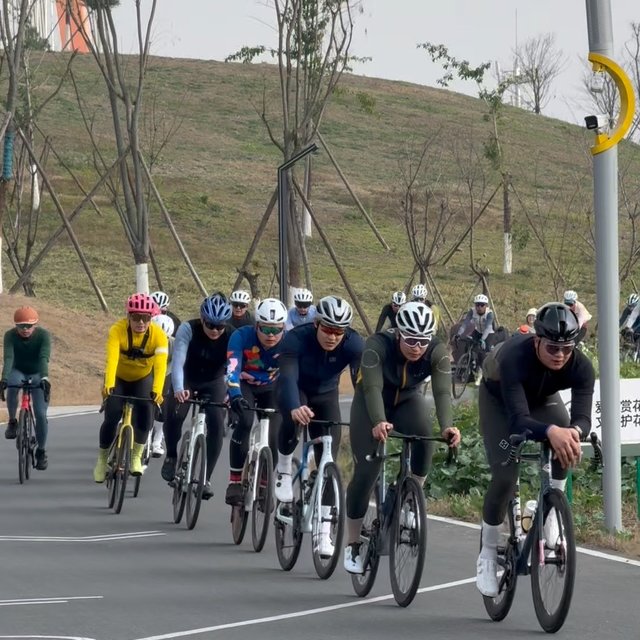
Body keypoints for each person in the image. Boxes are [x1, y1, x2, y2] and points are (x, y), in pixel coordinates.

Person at [475, 302, 594, 598]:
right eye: (553, 348)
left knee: (567, 440)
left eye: (567, 349)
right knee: (504, 477)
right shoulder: (515, 357)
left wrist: (572, 433)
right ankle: (488, 554)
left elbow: (583, 418)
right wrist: (552, 431)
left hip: (541, 398)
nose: (560, 355)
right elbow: (518, 422)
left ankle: (550, 512)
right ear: (538, 340)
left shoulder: (580, 366)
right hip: (500, 402)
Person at [343, 302, 461, 573]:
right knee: (368, 469)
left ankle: (409, 495)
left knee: (425, 439)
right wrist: (377, 421)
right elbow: (371, 386)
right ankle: (352, 543)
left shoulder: (438, 351)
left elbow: (443, 393)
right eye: (410, 340)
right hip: (371, 403)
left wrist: (448, 427)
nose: (417, 347)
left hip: (408, 400)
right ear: (398, 334)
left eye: (423, 341)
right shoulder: (377, 344)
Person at [275, 295, 365, 557]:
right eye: (327, 329)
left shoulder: (354, 344)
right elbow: (288, 377)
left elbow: (361, 384)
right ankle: (283, 468)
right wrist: (294, 407)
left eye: (339, 331)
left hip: (326, 396)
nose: (333, 336)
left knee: (329, 462)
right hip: (297, 389)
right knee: (292, 422)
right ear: (316, 324)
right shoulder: (296, 338)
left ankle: (323, 533)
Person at [161, 293, 235, 499]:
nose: (215, 330)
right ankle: (172, 455)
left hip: (214, 381)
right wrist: (178, 388)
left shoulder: (231, 335)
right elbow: (178, 361)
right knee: (175, 413)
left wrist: (230, 391)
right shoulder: (188, 328)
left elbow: (233, 367)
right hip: (188, 377)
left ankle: (205, 478)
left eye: (220, 326)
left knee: (217, 425)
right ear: (202, 319)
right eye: (210, 325)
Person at [93, 294, 168, 482]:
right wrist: (109, 385)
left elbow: (160, 367)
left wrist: (157, 391)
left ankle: (136, 456)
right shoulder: (117, 330)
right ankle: (102, 460)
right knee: (111, 415)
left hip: (142, 379)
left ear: (151, 318)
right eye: (136, 318)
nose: (141, 322)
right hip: (118, 378)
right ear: (128, 316)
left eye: (146, 318)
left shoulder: (158, 336)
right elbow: (111, 360)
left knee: (146, 413)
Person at [224, 298, 287, 506]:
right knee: (245, 420)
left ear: (283, 328)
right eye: (266, 329)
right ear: (256, 325)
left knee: (276, 433)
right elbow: (232, 369)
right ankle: (234, 480)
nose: (271, 335)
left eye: (276, 330)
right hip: (245, 384)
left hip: (271, 387)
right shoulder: (241, 336)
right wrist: (234, 395)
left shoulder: (289, 342)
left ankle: (264, 483)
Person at [0, 306, 52, 470]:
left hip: (37, 372)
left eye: (29, 326)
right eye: (21, 326)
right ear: (15, 326)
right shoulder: (9, 336)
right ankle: (12, 421)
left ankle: (41, 452)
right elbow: (8, 357)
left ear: (35, 325)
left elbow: (44, 357)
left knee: (41, 414)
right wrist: (4, 379)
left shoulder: (43, 335)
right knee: (12, 385)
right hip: (18, 370)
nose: (25, 329)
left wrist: (44, 377)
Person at [149, 314, 175, 457]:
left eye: (164, 339)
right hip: (148, 370)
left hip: (166, 372)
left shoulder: (174, 344)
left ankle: (157, 442)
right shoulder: (146, 340)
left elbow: (175, 365)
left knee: (164, 407)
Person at [455, 294, 496, 367]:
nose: (479, 307)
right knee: (468, 345)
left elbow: (487, 328)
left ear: (486, 305)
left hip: (488, 333)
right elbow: (465, 323)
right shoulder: (472, 311)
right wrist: (459, 334)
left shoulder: (489, 314)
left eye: (482, 305)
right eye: (477, 305)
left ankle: (484, 367)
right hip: (478, 331)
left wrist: (482, 339)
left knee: (485, 351)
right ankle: (469, 361)